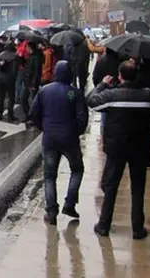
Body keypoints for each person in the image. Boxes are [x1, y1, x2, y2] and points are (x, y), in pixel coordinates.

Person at [87, 61, 150, 239]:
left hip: (116, 148)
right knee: (138, 188)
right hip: (140, 149)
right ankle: (137, 228)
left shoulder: (112, 95)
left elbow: (91, 100)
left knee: (111, 187)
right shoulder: (147, 96)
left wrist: (103, 84)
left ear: (120, 76)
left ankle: (104, 225)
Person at [29, 60, 89, 225]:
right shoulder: (75, 93)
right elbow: (82, 118)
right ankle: (69, 203)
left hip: (49, 139)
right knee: (77, 170)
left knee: (49, 176)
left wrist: (45, 128)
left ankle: (51, 211)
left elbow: (34, 114)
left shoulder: (44, 91)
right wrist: (75, 132)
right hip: (69, 139)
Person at [0, 42, 18, 121]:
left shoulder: (0, 55)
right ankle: (10, 115)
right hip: (10, 79)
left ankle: (0, 114)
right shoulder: (14, 56)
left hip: (0, 79)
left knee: (1, 97)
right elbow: (14, 70)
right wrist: (14, 78)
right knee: (11, 97)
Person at [21, 41, 43, 125]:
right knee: (23, 99)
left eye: (27, 47)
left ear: (30, 48)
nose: (26, 49)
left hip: (32, 83)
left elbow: (36, 72)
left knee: (33, 102)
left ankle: (34, 119)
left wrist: (34, 84)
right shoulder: (30, 56)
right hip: (26, 81)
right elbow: (27, 67)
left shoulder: (37, 57)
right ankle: (27, 115)